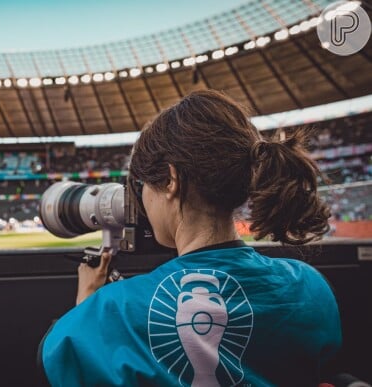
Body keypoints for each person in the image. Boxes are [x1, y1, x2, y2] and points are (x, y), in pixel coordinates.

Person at [40, 90, 341, 386]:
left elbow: (55, 356)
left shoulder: (114, 312)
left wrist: (87, 304)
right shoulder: (310, 287)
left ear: (171, 180)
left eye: (142, 185)